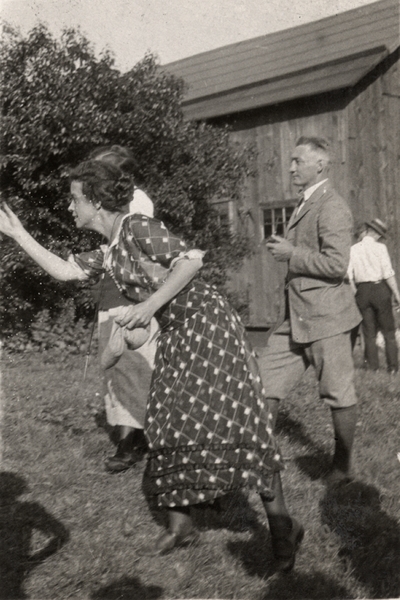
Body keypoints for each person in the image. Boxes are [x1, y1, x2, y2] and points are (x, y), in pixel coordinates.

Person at [0, 158, 303, 571]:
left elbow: (190, 261)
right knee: (166, 421)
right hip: (178, 334)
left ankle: (282, 531)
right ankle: (183, 525)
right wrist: (18, 234)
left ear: (95, 200)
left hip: (209, 327)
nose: (70, 208)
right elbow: (65, 271)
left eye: (74, 199)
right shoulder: (109, 251)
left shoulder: (137, 226)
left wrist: (147, 307)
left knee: (234, 422)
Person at [257, 136, 362, 486]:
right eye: (291, 161)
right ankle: (260, 459)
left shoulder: (331, 205)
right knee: (262, 381)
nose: (290, 168)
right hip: (296, 318)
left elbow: (336, 264)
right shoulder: (306, 203)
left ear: (320, 165)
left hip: (327, 318)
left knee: (338, 393)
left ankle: (343, 468)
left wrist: (292, 254)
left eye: (297, 161)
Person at [89, 145, 159, 473]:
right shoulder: (102, 202)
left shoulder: (139, 201)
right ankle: (129, 435)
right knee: (115, 369)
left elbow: (137, 248)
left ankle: (133, 441)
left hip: (133, 294)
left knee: (134, 366)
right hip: (111, 291)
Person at [347, 217, 400, 374]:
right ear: (376, 234)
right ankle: (393, 368)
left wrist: (356, 293)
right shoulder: (381, 248)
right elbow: (388, 273)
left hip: (362, 291)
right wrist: (397, 294)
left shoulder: (353, 249)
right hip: (379, 289)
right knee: (388, 332)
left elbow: (348, 276)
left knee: (368, 333)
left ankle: (372, 368)